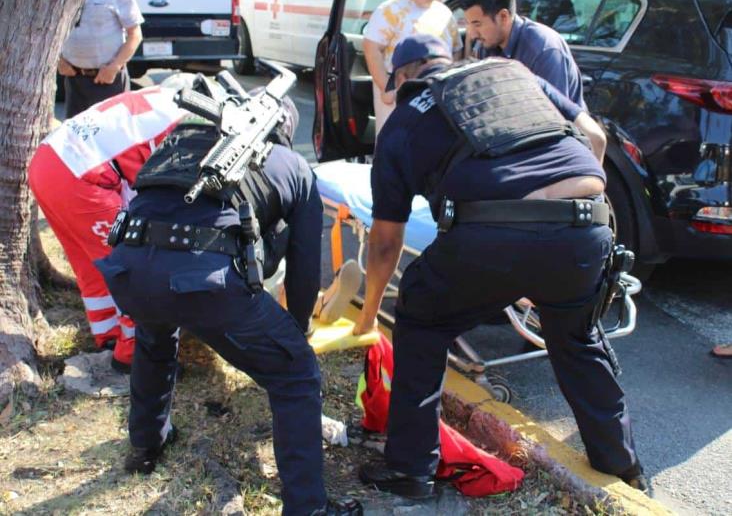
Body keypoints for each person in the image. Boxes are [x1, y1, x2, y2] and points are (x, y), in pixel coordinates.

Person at [351, 34, 647, 498]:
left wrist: (369, 315)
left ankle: (410, 470)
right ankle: (624, 468)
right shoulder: (514, 74)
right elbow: (595, 137)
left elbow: (386, 242)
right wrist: (566, 226)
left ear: (406, 77)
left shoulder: (405, 120)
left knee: (421, 321)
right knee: (576, 336)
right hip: (589, 222)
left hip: (491, 236)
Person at [93, 82, 362, 516]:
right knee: (296, 377)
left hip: (129, 270)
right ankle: (309, 508)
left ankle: (145, 445)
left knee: (155, 336)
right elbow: (305, 267)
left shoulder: (180, 143)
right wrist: (294, 336)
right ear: (282, 132)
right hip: (207, 283)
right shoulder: (292, 166)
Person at [29, 77, 192, 372]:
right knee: (130, 265)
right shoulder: (187, 130)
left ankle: (107, 332)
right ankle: (135, 353)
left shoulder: (164, 99)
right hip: (80, 176)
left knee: (91, 262)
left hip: (48, 159)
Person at [363, 0, 462, 135]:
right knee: (394, 144)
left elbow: (457, 50)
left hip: (434, 93)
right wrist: (386, 88)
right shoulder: (390, 10)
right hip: (398, 92)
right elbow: (371, 48)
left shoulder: (445, 14)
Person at [462, 0, 585, 108]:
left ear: (503, 17)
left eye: (477, 24)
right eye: (468, 24)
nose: (472, 34)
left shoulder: (544, 49)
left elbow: (556, 116)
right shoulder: (486, 46)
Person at [58, 0, 143, 118]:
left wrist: (114, 67)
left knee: (114, 135)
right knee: (77, 138)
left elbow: (135, 35)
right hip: (74, 81)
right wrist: (58, 61)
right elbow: (48, 30)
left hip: (109, 80)